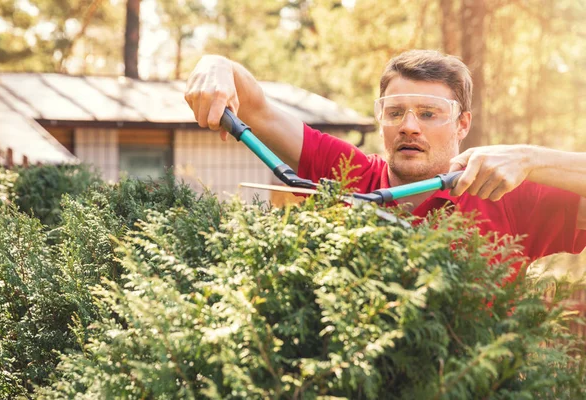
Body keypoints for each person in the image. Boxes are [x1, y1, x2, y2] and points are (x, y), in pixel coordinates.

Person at [184, 49, 586, 272]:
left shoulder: (505, 193)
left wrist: (530, 158)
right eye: (395, 113)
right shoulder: (348, 173)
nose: (409, 126)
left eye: (428, 114)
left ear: (462, 125)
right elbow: (257, 109)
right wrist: (216, 65)